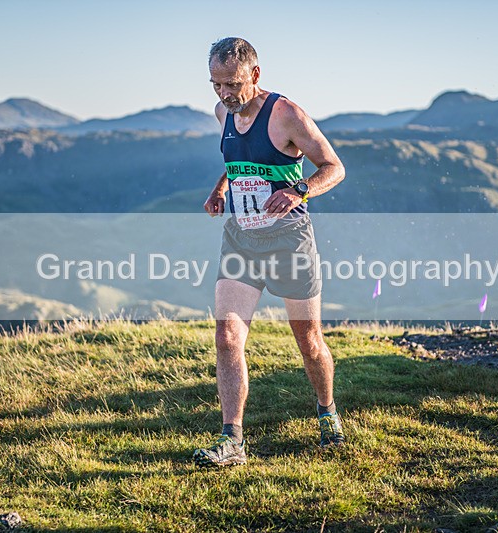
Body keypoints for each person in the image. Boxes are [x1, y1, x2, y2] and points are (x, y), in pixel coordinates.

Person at [193, 37, 346, 468]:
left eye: (233, 83)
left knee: (308, 340)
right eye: (216, 84)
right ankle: (232, 441)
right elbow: (238, 160)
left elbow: (334, 167)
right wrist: (220, 189)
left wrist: (298, 191)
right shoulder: (223, 112)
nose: (224, 93)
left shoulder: (287, 114)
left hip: (289, 239)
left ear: (254, 75)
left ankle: (327, 411)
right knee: (226, 337)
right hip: (241, 238)